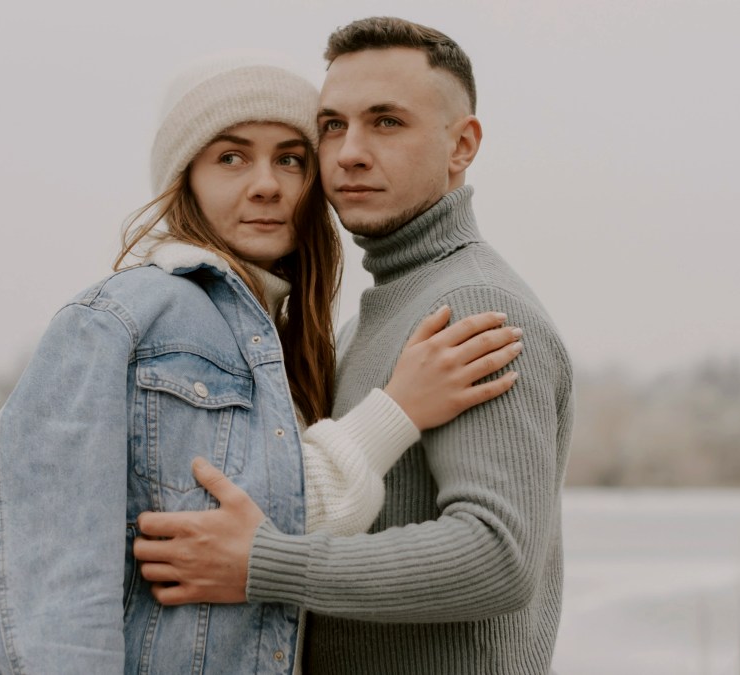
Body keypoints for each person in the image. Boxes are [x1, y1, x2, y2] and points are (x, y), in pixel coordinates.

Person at [0, 55, 523, 675]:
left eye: (290, 158)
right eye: (231, 157)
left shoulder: (272, 337)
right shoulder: (123, 318)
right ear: (186, 178)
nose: (266, 184)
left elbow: (249, 533)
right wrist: (394, 412)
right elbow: (54, 586)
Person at [132, 16, 575, 675]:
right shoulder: (376, 314)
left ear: (463, 144)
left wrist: (262, 563)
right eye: (333, 125)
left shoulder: (477, 306)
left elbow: (497, 555)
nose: (348, 153)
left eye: (386, 122)